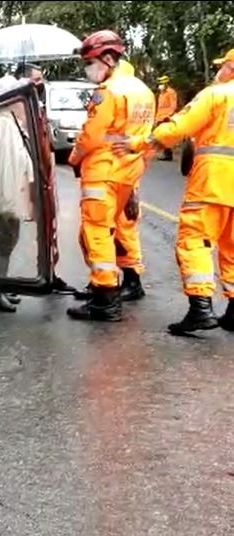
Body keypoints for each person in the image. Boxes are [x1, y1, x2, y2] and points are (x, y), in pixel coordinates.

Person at [113, 47, 234, 334]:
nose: (220, 70)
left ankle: (200, 308)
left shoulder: (217, 94)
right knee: (232, 246)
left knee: (194, 240)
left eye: (223, 65)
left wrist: (140, 143)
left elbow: (178, 127)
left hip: (212, 181)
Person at [66, 30, 156, 322]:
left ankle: (105, 298)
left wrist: (74, 158)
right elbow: (147, 137)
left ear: (108, 57)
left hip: (102, 170)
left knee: (95, 231)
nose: (88, 69)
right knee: (113, 230)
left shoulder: (107, 92)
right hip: (128, 172)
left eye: (90, 62)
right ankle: (108, 288)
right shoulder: (144, 90)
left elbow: (92, 135)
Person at [15, 64, 78, 296]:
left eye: (41, 79)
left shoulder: (38, 106)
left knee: (50, 228)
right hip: (29, 177)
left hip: (45, 176)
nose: (40, 84)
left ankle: (50, 274)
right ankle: (30, 276)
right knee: (20, 231)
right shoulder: (15, 111)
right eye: (36, 79)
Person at [0, 75, 35, 312]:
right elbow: (5, 169)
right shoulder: (3, 126)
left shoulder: (6, 123)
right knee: (2, 242)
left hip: (5, 195)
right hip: (5, 197)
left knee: (4, 242)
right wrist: (7, 204)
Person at [154, 75, 179, 161]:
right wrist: (156, 118)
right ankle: (165, 153)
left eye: (161, 83)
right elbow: (160, 107)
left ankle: (168, 154)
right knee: (161, 137)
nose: (160, 85)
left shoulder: (171, 92)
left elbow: (173, 105)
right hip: (160, 117)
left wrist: (168, 116)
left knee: (166, 136)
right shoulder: (161, 94)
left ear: (166, 83)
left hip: (166, 118)